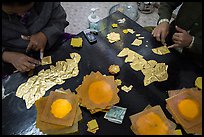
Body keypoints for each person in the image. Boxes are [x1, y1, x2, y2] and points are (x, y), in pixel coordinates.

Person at [2, 2, 69, 76]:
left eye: (28, 10)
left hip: (51, 42)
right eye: (12, 13)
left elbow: (60, 20)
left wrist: (45, 34)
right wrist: (8, 56)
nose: (22, 15)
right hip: (10, 57)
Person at [152, 2, 202, 66]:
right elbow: (168, 3)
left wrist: (192, 42)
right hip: (169, 35)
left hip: (196, 59)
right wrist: (164, 20)